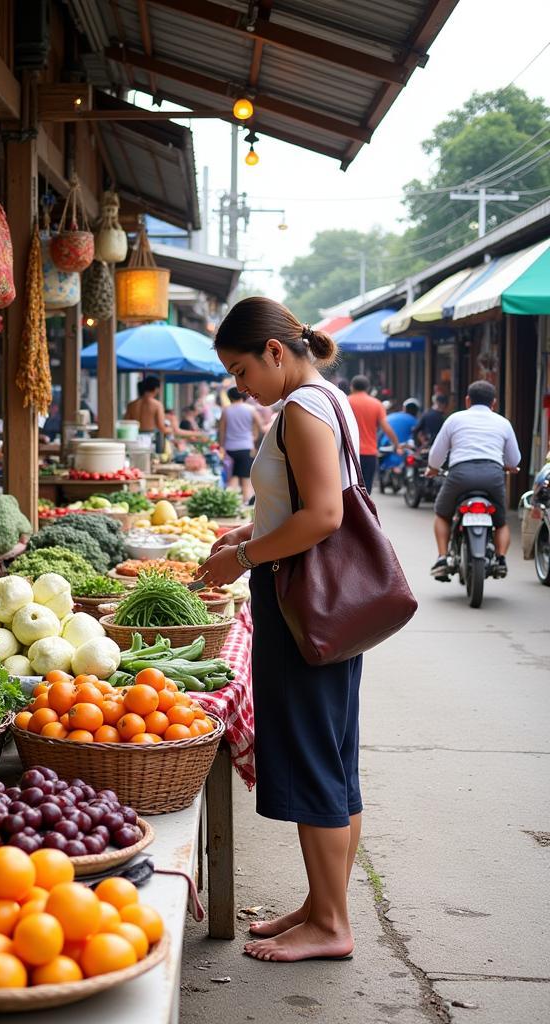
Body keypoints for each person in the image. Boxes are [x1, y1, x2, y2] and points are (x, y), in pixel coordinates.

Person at [195, 296, 361, 964]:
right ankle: (324, 907)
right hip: (325, 602)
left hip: (304, 603)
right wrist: (251, 530)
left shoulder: (299, 410)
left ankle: (331, 926)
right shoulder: (328, 398)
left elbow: (322, 515)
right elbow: (304, 503)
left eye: (240, 370)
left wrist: (240, 556)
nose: (240, 387)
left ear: (273, 352)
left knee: (314, 759)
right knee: (336, 759)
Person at [426, 380, 521, 581]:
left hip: (460, 475)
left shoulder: (454, 419)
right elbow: (514, 460)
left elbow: (436, 455)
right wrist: (508, 465)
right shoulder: (503, 423)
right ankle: (501, 559)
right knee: (501, 522)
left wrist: (433, 469)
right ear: (493, 403)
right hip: (493, 476)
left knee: (442, 514)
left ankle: (442, 558)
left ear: (467, 400)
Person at [347, 375, 401, 494]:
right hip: (369, 453)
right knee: (365, 489)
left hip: (348, 452)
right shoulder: (376, 404)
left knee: (348, 489)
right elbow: (386, 427)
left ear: (352, 387)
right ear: (368, 388)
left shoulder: (345, 401)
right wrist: (397, 444)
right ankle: (363, 511)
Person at [218, 386, 259, 502]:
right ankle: (246, 504)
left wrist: (222, 446)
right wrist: (254, 435)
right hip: (246, 447)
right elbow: (259, 425)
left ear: (230, 397)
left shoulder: (226, 410)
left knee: (233, 477)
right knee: (246, 479)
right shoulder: (250, 409)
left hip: (230, 448)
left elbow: (222, 430)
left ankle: (228, 502)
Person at [383, 398, 420, 471]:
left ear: (404, 408)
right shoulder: (415, 421)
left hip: (386, 449)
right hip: (403, 452)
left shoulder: (390, 417)